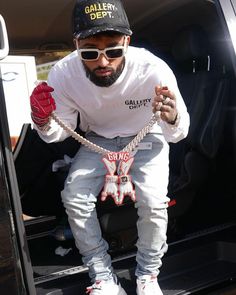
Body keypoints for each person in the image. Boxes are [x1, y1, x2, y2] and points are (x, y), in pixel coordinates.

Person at [29, 0, 190, 294]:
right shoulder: (63, 74)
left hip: (146, 136)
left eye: (113, 50)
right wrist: (41, 120)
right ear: (76, 44)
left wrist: (173, 116)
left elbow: (178, 133)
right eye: (90, 52)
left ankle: (148, 275)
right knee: (74, 197)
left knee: (154, 202)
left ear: (127, 41)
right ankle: (103, 276)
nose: (103, 62)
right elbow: (56, 134)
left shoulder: (153, 69)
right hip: (98, 140)